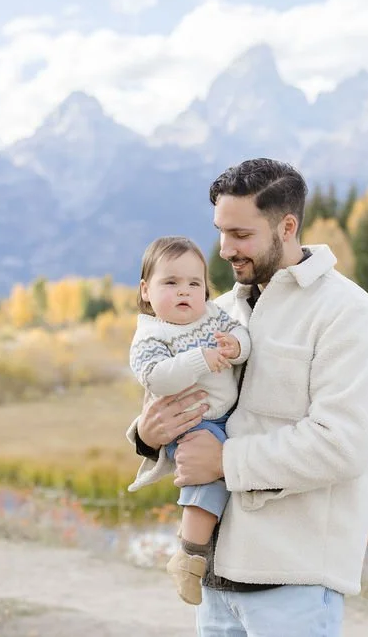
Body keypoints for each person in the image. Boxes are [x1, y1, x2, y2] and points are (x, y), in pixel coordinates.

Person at [125, 158, 368, 636]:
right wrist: (146, 434)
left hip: (293, 589)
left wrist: (227, 460)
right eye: (220, 232)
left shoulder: (346, 312)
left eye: (241, 234)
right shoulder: (218, 312)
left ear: (286, 226)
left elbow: (344, 444)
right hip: (215, 589)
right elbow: (186, 399)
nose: (225, 249)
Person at [125, 236, 251, 606]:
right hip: (194, 421)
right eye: (171, 283)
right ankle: (189, 554)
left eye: (194, 284)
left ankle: (195, 553)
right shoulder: (152, 333)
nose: (185, 292)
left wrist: (236, 346)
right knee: (208, 483)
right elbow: (156, 377)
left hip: (224, 418)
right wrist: (200, 358)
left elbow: (240, 332)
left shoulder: (213, 315)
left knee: (219, 481)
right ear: (146, 290)